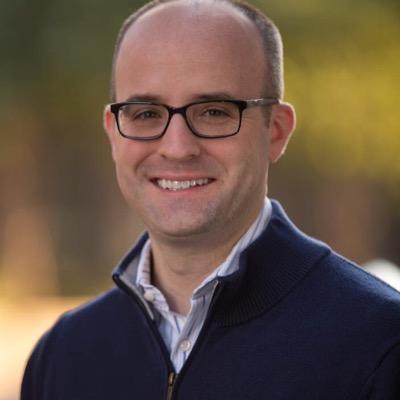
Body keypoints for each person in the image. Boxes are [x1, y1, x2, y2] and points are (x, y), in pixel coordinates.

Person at [21, 0, 400, 398]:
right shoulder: (63, 356)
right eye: (146, 113)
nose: (177, 148)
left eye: (214, 112)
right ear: (113, 132)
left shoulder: (379, 345)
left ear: (276, 130)